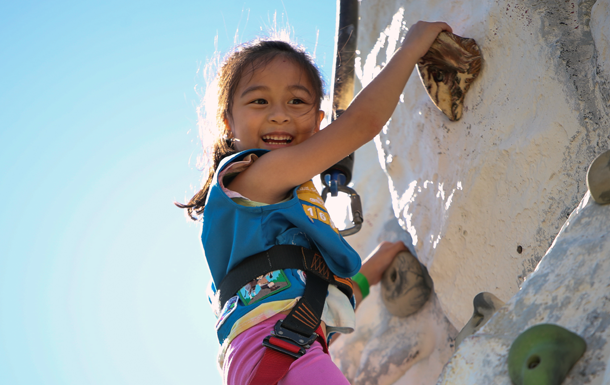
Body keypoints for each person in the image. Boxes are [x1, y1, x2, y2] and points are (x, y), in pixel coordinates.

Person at [178, 20, 452, 385]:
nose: (280, 114)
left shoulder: (275, 222)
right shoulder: (253, 178)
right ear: (228, 121)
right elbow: (361, 124)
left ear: (318, 120)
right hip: (274, 348)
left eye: (297, 101)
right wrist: (412, 48)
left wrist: (378, 263)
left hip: (278, 350)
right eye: (259, 101)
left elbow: (325, 296)